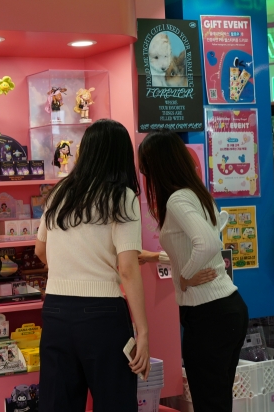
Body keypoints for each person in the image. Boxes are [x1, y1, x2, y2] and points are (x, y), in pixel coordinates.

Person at [35, 119, 150, 412]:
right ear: (122, 154)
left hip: (56, 311)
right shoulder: (122, 196)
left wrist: (68, 270)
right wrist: (144, 332)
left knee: (57, 404)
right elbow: (127, 268)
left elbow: (40, 251)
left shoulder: (59, 193)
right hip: (102, 315)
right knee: (115, 403)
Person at [137, 130, 248, 412]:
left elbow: (207, 244)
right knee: (218, 397)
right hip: (226, 309)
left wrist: (184, 277)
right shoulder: (194, 194)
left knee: (209, 400)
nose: (143, 171)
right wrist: (154, 257)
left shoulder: (176, 200)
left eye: (145, 163)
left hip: (209, 314)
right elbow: (192, 248)